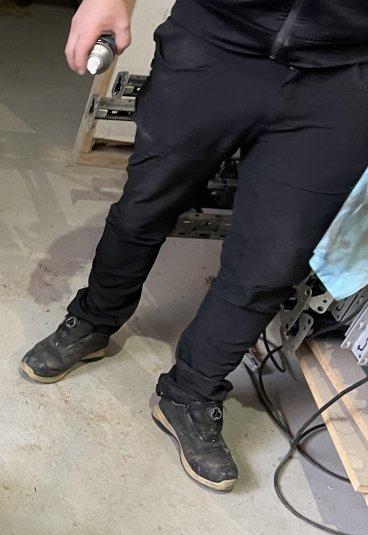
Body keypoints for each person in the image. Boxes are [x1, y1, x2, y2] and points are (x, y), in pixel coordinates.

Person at [23, 0, 368, 491]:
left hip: (344, 75)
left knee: (271, 263)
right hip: (216, 38)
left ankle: (190, 393)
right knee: (145, 207)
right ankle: (94, 320)